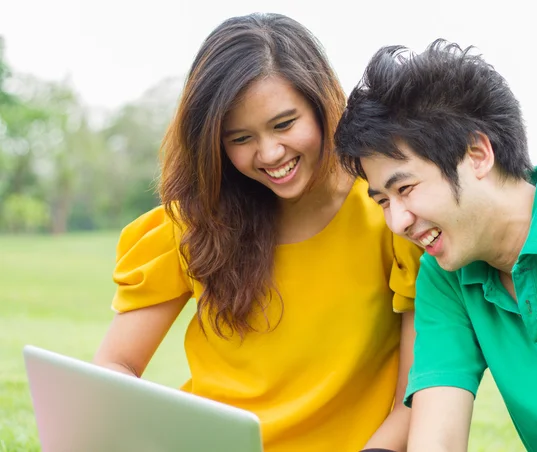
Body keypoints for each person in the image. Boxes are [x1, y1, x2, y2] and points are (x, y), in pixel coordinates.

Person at [93, 12, 422, 452]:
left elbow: (414, 397)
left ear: (324, 108)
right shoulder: (195, 222)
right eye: (240, 138)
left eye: (285, 124)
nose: (269, 153)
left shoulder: (389, 217)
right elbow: (115, 365)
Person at [333, 39, 537, 452]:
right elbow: (434, 439)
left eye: (405, 188)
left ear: (477, 154)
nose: (397, 221)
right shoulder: (446, 275)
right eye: (384, 201)